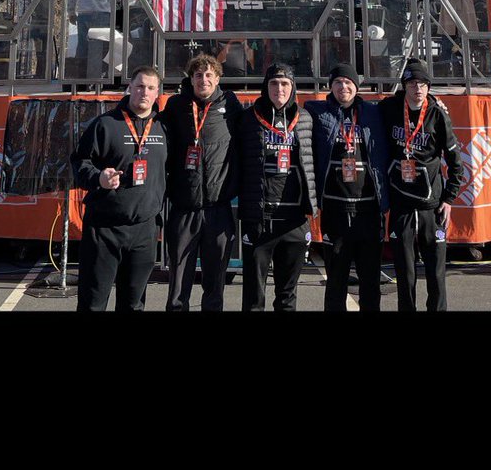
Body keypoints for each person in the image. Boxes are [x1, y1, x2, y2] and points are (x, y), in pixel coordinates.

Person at [71, 66, 167, 312]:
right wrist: (99, 178)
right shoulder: (105, 124)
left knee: (133, 305)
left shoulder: (163, 128)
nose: (144, 92)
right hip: (104, 229)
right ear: (129, 88)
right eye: (139, 86)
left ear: (158, 93)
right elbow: (79, 163)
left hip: (144, 230)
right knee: (93, 304)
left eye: (150, 88)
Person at [381, 58, 464, 311]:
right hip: (402, 205)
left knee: (436, 275)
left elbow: (456, 163)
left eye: (422, 84)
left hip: (432, 206)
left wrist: (449, 199)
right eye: (412, 83)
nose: (417, 88)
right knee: (405, 275)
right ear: (404, 86)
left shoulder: (438, 115)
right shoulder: (390, 108)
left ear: (429, 87)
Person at [162, 52, 243, 311]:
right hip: (184, 209)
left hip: (218, 209)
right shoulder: (175, 106)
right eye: (198, 75)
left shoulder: (231, 104)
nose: (204, 80)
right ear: (191, 78)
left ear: (218, 79)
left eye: (209, 75)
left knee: (215, 286)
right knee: (177, 288)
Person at [306, 62, 389, 311]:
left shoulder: (373, 112)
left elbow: (407, 105)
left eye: (348, 82)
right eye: (338, 82)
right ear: (330, 86)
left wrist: (437, 104)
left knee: (370, 283)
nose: (343, 87)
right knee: (336, 284)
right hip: (335, 211)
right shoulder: (316, 111)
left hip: (368, 211)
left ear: (357, 86)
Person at [237, 62, 317, 311]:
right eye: (273, 83)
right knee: (253, 297)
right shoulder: (248, 118)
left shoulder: (304, 118)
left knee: (287, 296)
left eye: (285, 84)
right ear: (266, 86)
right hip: (260, 218)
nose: (279, 89)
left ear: (292, 87)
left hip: (293, 219)